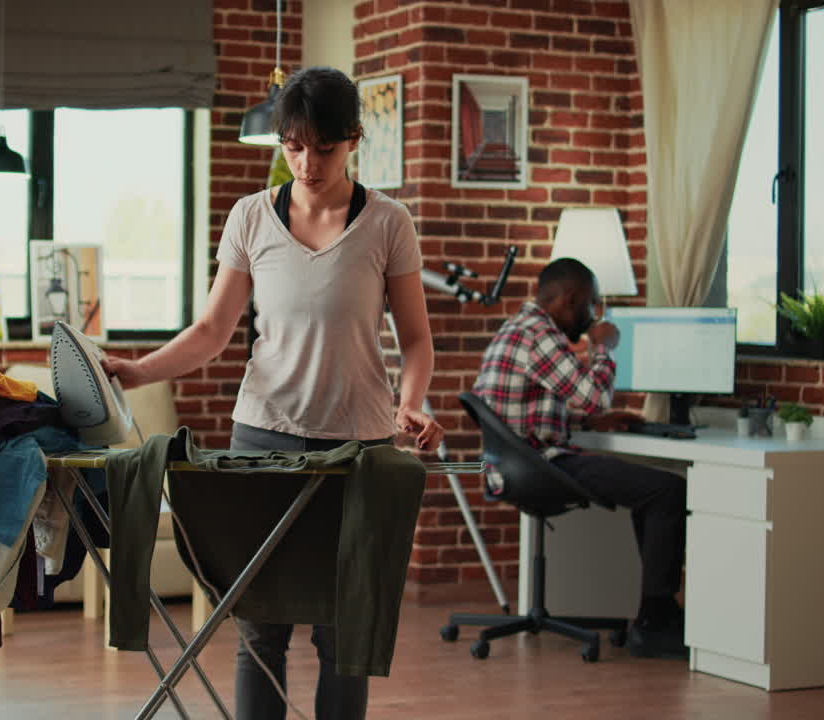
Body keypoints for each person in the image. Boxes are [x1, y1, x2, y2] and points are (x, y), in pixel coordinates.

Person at [102, 66, 441, 720]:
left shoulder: (390, 223)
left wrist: (413, 401)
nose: (306, 164)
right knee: (260, 624)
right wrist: (139, 371)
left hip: (358, 447)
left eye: (324, 148)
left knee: (344, 628)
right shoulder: (251, 217)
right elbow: (211, 330)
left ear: (353, 140)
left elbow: (418, 340)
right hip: (262, 441)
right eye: (292, 146)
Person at [471, 257, 687, 659]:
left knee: (653, 490)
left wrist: (596, 420)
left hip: (516, 468)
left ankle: (655, 615)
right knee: (666, 491)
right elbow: (593, 394)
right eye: (591, 305)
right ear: (571, 298)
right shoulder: (541, 332)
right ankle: (655, 623)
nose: (591, 316)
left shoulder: (519, 326)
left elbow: (529, 404)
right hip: (544, 466)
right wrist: (602, 347)